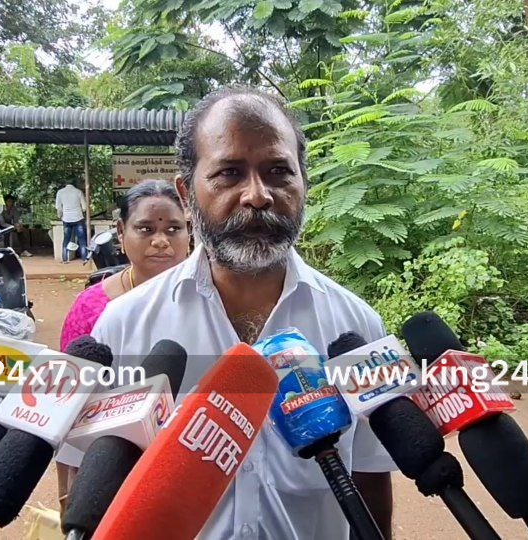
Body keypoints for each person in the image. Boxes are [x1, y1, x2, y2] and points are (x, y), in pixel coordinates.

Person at [91, 87, 396, 539]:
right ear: (186, 194)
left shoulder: (360, 327)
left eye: (278, 172)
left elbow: (370, 481)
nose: (257, 196)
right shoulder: (122, 327)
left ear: (304, 184)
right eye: (229, 173)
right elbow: (88, 488)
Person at [55, 179, 190, 511]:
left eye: (173, 229)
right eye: (145, 229)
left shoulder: (212, 300)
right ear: (120, 232)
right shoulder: (91, 309)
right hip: (108, 474)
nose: (161, 241)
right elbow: (65, 407)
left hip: (188, 468)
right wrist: (67, 497)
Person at [55, 181, 88, 263]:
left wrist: (60, 216)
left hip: (66, 219)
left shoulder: (60, 192)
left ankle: (65, 259)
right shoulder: (78, 192)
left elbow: (58, 208)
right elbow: (84, 207)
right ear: (75, 184)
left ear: (65, 184)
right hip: (78, 218)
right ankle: (84, 259)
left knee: (66, 239)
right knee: (82, 240)